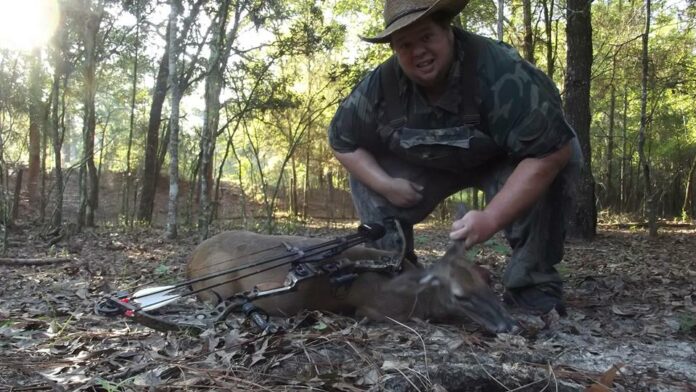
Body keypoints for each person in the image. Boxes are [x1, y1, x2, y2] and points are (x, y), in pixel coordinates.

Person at [327, 0, 582, 315]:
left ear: (448, 30)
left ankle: (532, 283)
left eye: (426, 37)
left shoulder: (501, 71)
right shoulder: (379, 86)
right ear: (393, 49)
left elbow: (552, 150)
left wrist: (490, 218)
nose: (418, 51)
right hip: (427, 165)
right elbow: (341, 140)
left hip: (504, 160)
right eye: (405, 44)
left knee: (562, 161)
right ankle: (399, 275)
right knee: (368, 180)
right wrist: (387, 184)